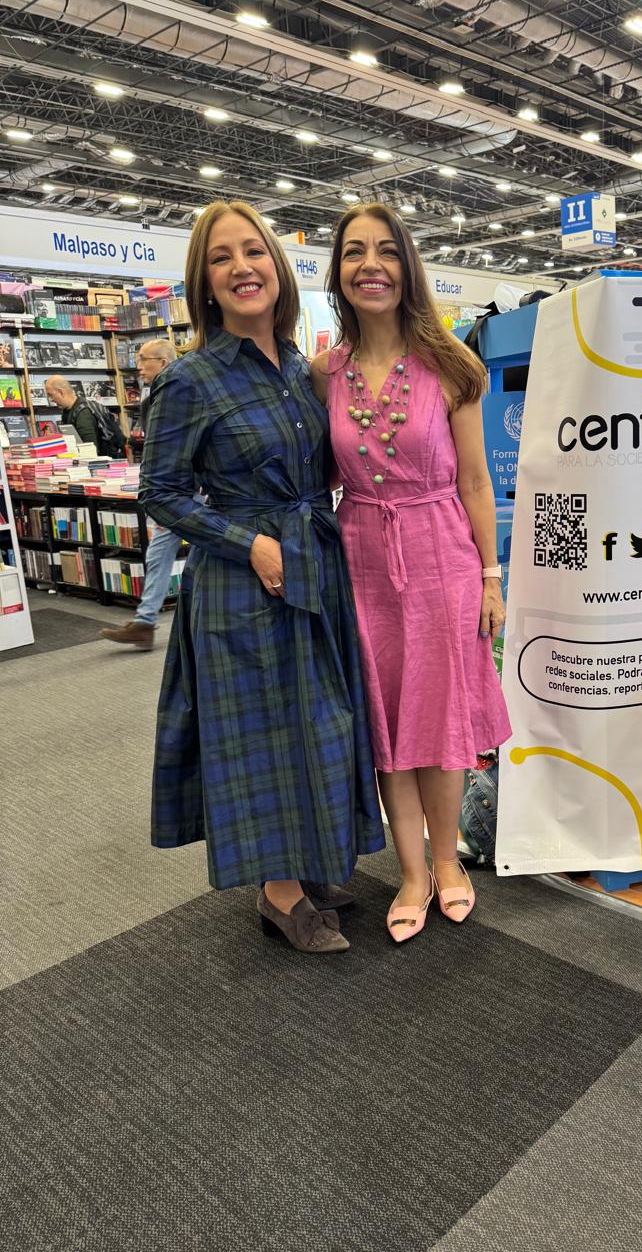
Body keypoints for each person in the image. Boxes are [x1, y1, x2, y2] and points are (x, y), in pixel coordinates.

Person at [140, 199, 384, 953]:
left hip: (315, 562)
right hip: (245, 584)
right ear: (205, 283)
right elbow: (161, 492)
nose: (242, 267)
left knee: (320, 720)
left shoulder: (300, 369)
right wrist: (248, 543)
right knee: (265, 734)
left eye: (254, 252)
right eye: (222, 258)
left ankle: (308, 866)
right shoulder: (191, 378)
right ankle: (279, 894)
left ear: (277, 269)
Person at [311, 202, 511, 943]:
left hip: (442, 556)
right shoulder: (321, 372)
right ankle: (413, 872)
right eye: (355, 251)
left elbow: (477, 484)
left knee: (442, 720)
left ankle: (450, 863)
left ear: (408, 266)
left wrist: (492, 575)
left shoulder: (452, 364)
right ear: (337, 271)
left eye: (386, 251)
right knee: (389, 723)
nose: (371, 264)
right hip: (360, 555)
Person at [99, 339, 180, 650]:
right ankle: (145, 621)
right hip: (178, 490)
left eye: (145, 359)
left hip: (183, 490)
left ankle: (147, 622)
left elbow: (175, 449)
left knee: (165, 551)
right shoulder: (152, 398)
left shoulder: (175, 394)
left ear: (162, 361)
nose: (140, 366)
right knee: (166, 552)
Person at [44, 376, 98, 447]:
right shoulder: (68, 410)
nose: (51, 399)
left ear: (61, 392)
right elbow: (72, 440)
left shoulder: (83, 413)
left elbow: (91, 448)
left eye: (51, 395)